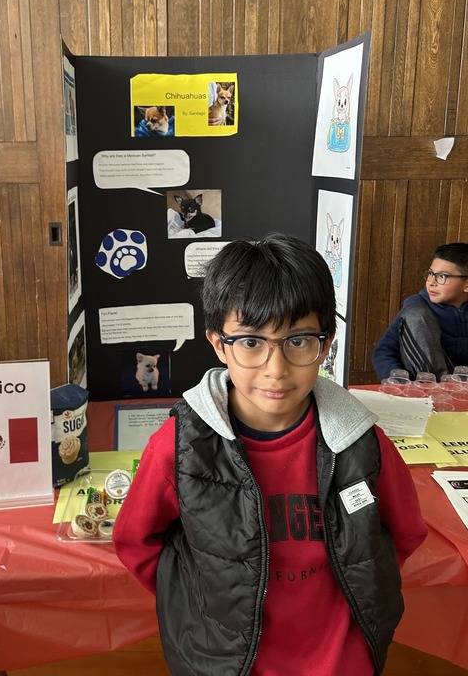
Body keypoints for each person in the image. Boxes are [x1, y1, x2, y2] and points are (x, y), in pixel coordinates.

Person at [113, 233, 427, 676]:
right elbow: (137, 543)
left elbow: (404, 533)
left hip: (345, 661)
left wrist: (358, 610)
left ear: (326, 343)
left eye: (298, 341)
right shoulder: (179, 448)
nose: (275, 370)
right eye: (251, 342)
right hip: (228, 664)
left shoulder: (361, 441)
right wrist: (198, 606)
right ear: (219, 344)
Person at [372, 242, 468, 381]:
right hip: (429, 380)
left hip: (462, 382)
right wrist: (398, 380)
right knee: (416, 314)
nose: (431, 282)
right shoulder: (417, 303)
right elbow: (384, 351)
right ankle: (432, 388)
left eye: (442, 276)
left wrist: (448, 345)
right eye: (430, 274)